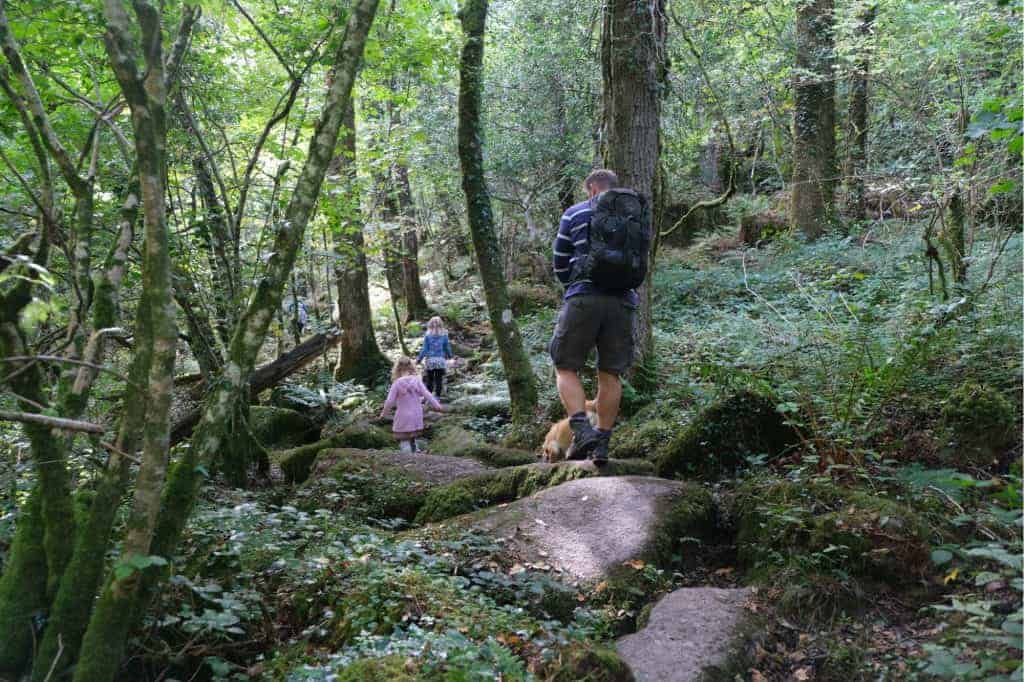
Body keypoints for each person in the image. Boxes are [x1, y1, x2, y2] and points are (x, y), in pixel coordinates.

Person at [549, 169, 641, 465]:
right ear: (615, 188)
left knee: (565, 366)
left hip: (583, 297)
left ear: (591, 189)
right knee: (610, 374)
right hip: (623, 300)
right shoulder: (634, 216)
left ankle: (580, 428)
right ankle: (601, 443)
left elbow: (560, 262)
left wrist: (573, 284)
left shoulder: (575, 213)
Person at [380, 356, 443, 453]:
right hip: (416, 415)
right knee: (413, 436)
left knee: (404, 438)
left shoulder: (396, 383)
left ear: (397, 369)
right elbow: (427, 394)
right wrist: (437, 406)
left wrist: (383, 414)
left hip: (403, 415)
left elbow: (389, 401)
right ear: (412, 367)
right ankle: (416, 450)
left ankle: (407, 455)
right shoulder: (417, 381)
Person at [417, 316, 454, 396]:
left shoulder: (428, 335)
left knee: (429, 379)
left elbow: (425, 349)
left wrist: (419, 359)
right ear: (441, 324)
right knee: (438, 380)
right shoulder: (444, 335)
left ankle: (428, 396)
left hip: (430, 360)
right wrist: (451, 357)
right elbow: (447, 347)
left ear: (430, 325)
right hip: (440, 360)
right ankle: (437, 397)